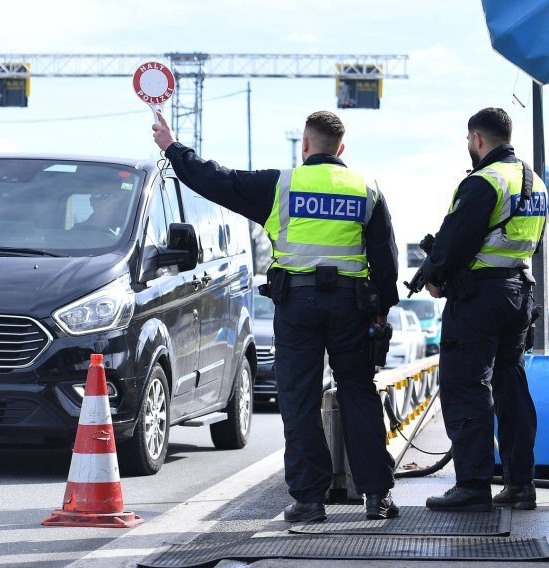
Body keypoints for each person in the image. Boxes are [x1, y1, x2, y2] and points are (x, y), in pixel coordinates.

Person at [152, 110, 400, 522]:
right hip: (350, 306)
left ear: (305, 145)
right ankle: (376, 496)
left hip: (297, 304)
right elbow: (386, 261)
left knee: (299, 400)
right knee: (358, 394)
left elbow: (217, 179)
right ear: (341, 150)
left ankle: (309, 500)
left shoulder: (281, 185)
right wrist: (381, 312)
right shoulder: (366, 189)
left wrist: (172, 148)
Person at [421, 107, 547, 512]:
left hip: (479, 298)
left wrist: (434, 276)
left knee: (465, 385)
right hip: (518, 292)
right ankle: (520, 485)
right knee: (510, 386)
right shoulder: (535, 182)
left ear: (477, 139)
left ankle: (473, 486)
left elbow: (454, 241)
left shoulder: (483, 182)